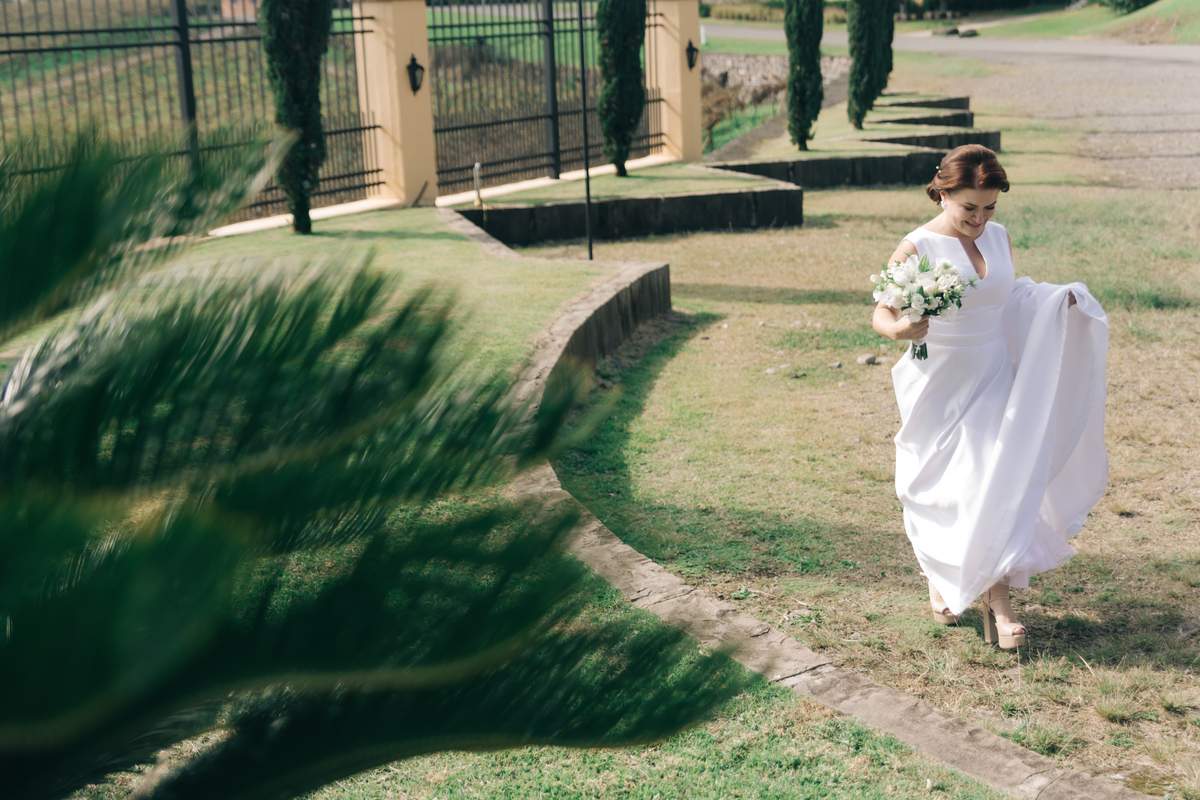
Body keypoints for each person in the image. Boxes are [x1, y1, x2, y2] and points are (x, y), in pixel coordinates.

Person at [872, 145, 1109, 650]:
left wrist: (1053, 302)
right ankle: (944, 576)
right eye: (969, 208)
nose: (980, 219)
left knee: (991, 482)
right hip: (940, 381)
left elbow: (1007, 297)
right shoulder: (916, 246)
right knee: (942, 487)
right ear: (942, 193)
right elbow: (881, 313)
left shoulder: (998, 237)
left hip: (995, 374)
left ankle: (998, 607)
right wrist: (901, 330)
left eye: (989, 207)